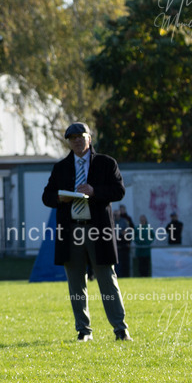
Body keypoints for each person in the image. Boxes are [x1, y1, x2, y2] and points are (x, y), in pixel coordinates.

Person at [41, 121, 130, 342]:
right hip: (72, 231)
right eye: (73, 138)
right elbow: (46, 197)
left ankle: (120, 329)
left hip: (98, 231)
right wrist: (60, 198)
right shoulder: (61, 168)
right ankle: (84, 330)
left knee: (107, 280)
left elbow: (119, 191)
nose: (78, 141)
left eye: (81, 136)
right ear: (69, 142)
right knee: (76, 283)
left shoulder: (106, 163)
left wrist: (94, 191)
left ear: (90, 138)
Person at [115, 205, 135, 277]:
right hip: (117, 244)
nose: (116, 216)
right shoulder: (113, 221)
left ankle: (126, 275)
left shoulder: (125, 221)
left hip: (124, 243)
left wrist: (127, 240)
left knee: (125, 263)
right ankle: (118, 275)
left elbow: (128, 232)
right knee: (117, 264)